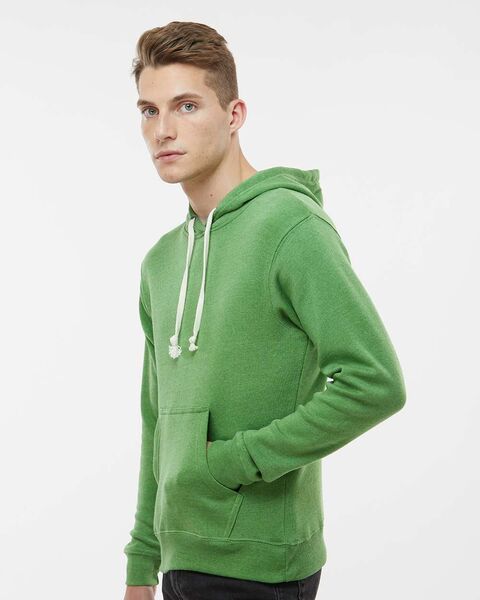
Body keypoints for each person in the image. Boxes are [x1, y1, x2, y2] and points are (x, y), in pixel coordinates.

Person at [123, 20, 406, 600]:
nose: (163, 130)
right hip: (179, 560)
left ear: (234, 114)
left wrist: (234, 462)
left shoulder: (290, 227)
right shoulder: (160, 262)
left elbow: (375, 382)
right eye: (149, 111)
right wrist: (142, 561)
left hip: (261, 568)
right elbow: (157, 420)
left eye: (186, 106)